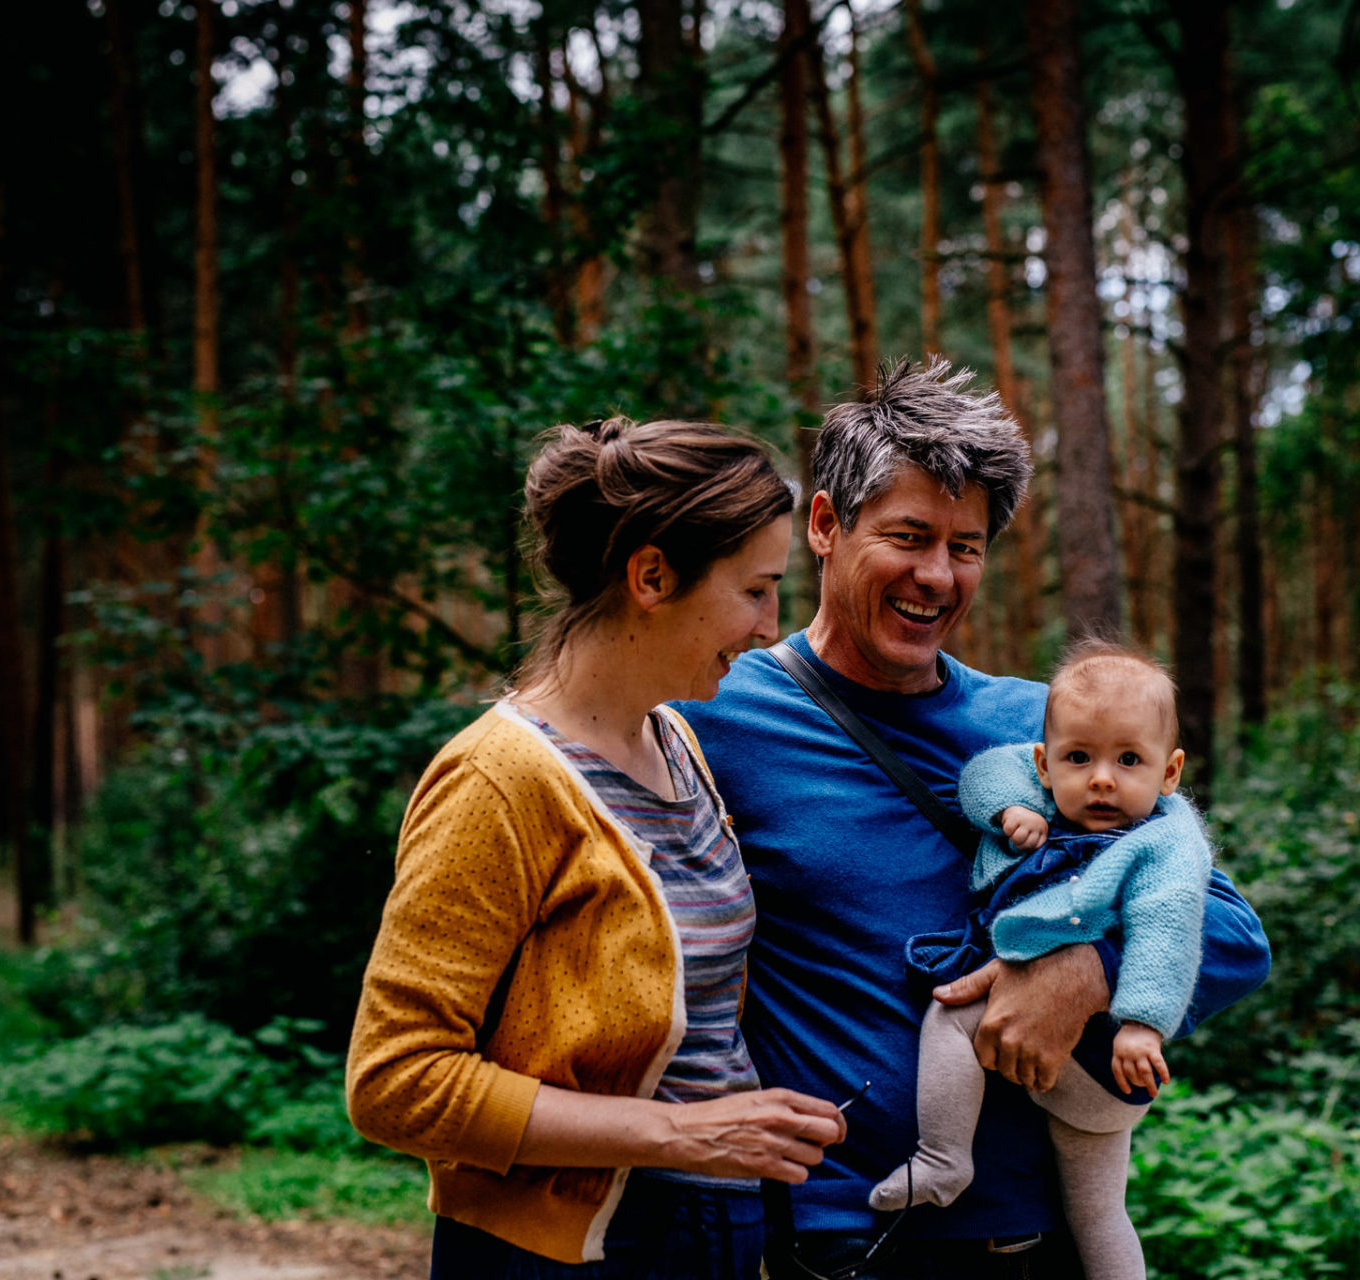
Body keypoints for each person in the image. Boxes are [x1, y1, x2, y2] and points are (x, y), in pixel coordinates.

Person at [676, 359, 1271, 1279]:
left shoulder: (1046, 726)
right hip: (842, 1239)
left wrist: (1084, 972)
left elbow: (1230, 932)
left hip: (1034, 1239)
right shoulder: (717, 711)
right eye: (909, 536)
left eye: (966, 547)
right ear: (826, 526)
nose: (937, 575)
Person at [345, 417, 848, 1277]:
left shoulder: (677, 743)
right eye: (756, 590)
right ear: (652, 575)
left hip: (714, 1234)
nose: (771, 627)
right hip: (567, 1252)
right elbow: (395, 1081)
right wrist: (682, 1133)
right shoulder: (498, 781)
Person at [871, 639, 1209, 1280]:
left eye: (1129, 760)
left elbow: (1168, 927)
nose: (1102, 777)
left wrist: (1141, 1024)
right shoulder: (1041, 794)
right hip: (1084, 1080)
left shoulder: (1166, 843)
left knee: (952, 1018)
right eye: (1078, 758)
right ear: (1046, 764)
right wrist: (1013, 809)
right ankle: (950, 1162)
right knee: (1099, 1213)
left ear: (1169, 773)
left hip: (1103, 1057)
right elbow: (985, 772)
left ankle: (943, 1157)